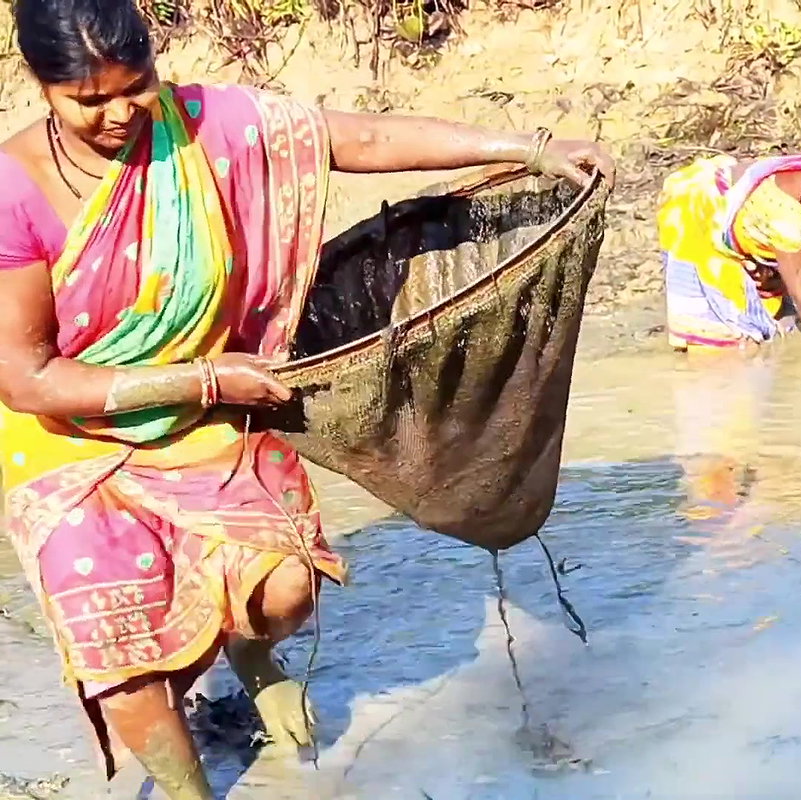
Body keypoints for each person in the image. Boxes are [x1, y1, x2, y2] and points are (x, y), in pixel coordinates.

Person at [0, 0, 614, 797]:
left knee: (286, 589)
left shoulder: (208, 126)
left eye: (136, 86)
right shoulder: (15, 191)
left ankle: (252, 652)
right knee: (124, 652)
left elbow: (352, 138)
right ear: (41, 86)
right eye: (88, 100)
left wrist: (529, 148)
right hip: (73, 439)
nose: (119, 114)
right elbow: (25, 376)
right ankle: (190, 791)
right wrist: (209, 378)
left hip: (206, 418)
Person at [656, 135, 801, 353]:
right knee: (730, 345)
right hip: (701, 212)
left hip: (749, 219)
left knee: (773, 313)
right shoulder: (784, 213)